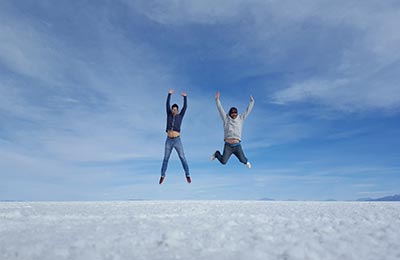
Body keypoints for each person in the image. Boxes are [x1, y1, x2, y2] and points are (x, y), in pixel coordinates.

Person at [211, 91, 254, 168]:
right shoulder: (226, 119)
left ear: (237, 113)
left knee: (243, 160)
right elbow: (220, 109)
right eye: (232, 113)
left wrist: (252, 102)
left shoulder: (240, 118)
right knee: (223, 162)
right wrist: (217, 100)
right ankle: (216, 153)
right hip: (228, 146)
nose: (234, 114)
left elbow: (247, 111)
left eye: (235, 112)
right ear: (230, 113)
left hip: (237, 146)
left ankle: (246, 162)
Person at [159, 89, 191, 184]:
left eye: (176, 109)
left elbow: (185, 107)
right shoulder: (168, 114)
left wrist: (185, 97)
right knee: (166, 158)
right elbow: (167, 104)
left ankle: (187, 174)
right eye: (173, 109)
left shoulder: (180, 116)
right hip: (168, 140)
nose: (174, 110)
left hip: (177, 140)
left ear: (178, 110)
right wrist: (169, 94)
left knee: (182, 157)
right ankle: (162, 175)